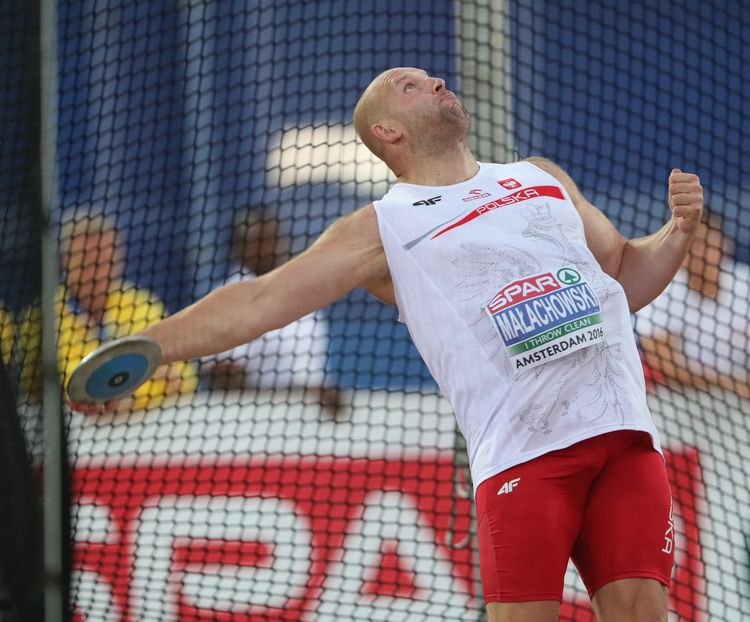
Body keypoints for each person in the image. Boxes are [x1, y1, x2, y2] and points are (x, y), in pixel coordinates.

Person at [70, 67, 704, 621]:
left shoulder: (539, 177)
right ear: (388, 132)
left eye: (430, 77)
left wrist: (676, 232)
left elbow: (623, 274)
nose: (435, 81)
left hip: (624, 440)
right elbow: (260, 299)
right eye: (410, 86)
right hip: (525, 460)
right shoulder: (384, 226)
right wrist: (150, 346)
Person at [635, 211, 750, 406]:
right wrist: (735, 385)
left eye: (705, 243)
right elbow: (662, 363)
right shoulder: (659, 290)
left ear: (725, 245)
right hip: (681, 401)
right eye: (689, 244)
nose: (698, 253)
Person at [37, 210, 198, 411]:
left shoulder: (140, 304)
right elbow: (79, 391)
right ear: (66, 264)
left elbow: (184, 379)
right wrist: (146, 383)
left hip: (150, 422)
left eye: (104, 260)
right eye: (86, 262)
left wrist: (128, 398)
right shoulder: (52, 315)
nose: (96, 272)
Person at [202, 208, 341, 416]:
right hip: (248, 418)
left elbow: (314, 373)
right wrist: (295, 395)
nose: (271, 247)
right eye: (260, 241)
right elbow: (223, 377)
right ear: (241, 248)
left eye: (274, 239)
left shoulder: (303, 291)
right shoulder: (228, 298)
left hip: (309, 417)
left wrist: (320, 393)